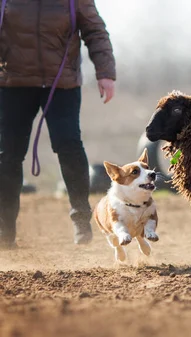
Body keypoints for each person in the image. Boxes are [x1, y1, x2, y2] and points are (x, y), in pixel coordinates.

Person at [0, 0, 116, 248]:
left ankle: (81, 219)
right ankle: (5, 229)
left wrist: (105, 73)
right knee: (7, 155)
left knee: (69, 145)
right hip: (13, 83)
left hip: (62, 83)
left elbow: (95, 31)